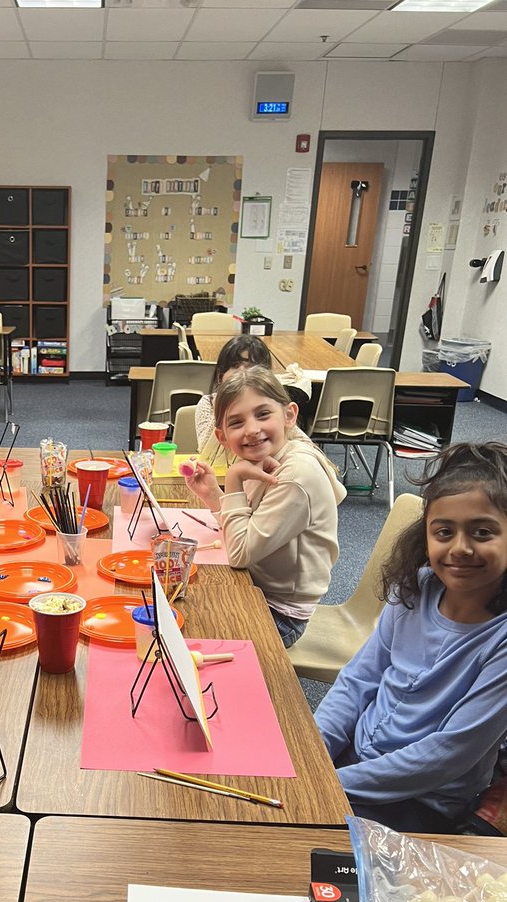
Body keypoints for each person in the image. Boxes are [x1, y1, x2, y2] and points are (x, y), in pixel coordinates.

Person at [316, 442, 507, 833]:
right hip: (357, 764)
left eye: (483, 532)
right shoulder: (416, 587)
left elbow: (446, 755)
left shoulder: (500, 639)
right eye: (444, 532)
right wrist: (314, 752)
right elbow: (358, 680)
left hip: (419, 799)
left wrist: (328, 784)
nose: (460, 548)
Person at [184, 365, 346, 647]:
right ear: (221, 436)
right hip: (257, 589)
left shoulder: (296, 475)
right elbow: (248, 527)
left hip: (281, 614)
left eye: (262, 414)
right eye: (236, 423)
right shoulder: (271, 456)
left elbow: (240, 553)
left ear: (289, 415)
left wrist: (232, 480)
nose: (252, 430)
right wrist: (213, 495)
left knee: (184, 630)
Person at [194, 334, 272, 463]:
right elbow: (206, 450)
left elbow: (301, 441)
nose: (243, 372)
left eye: (251, 367)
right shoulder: (207, 404)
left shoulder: (272, 405)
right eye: (235, 366)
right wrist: (220, 406)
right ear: (221, 375)